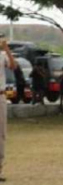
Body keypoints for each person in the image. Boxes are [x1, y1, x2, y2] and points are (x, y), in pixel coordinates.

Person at [0, 36, 17, 182]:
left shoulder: (2, 55)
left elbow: (13, 66)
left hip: (1, 96)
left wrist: (6, 49)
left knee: (1, 134)